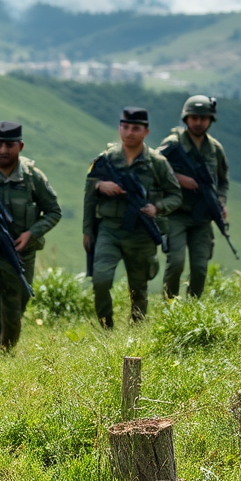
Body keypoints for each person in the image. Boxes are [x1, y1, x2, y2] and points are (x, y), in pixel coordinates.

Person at [0, 121, 62, 352]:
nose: (3, 150)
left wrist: (31, 233)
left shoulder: (32, 177)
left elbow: (54, 211)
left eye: (9, 145)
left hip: (19, 252)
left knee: (14, 306)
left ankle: (6, 349)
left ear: (20, 146)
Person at [82, 107, 182, 328]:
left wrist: (157, 208)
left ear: (145, 131)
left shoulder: (156, 162)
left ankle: (136, 329)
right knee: (100, 280)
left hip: (141, 233)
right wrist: (99, 187)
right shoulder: (105, 160)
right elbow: (89, 196)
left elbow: (176, 195)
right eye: (124, 127)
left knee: (139, 287)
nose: (129, 133)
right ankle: (106, 326)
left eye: (135, 128)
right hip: (109, 229)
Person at [158, 95, 230, 299]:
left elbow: (223, 180)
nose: (198, 122)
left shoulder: (214, 148)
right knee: (176, 263)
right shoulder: (173, 144)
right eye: (194, 118)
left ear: (210, 120)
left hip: (202, 216)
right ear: (186, 118)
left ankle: (192, 307)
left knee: (200, 266)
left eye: (203, 118)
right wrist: (178, 178)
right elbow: (153, 166)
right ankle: (169, 306)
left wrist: (221, 202)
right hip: (176, 213)